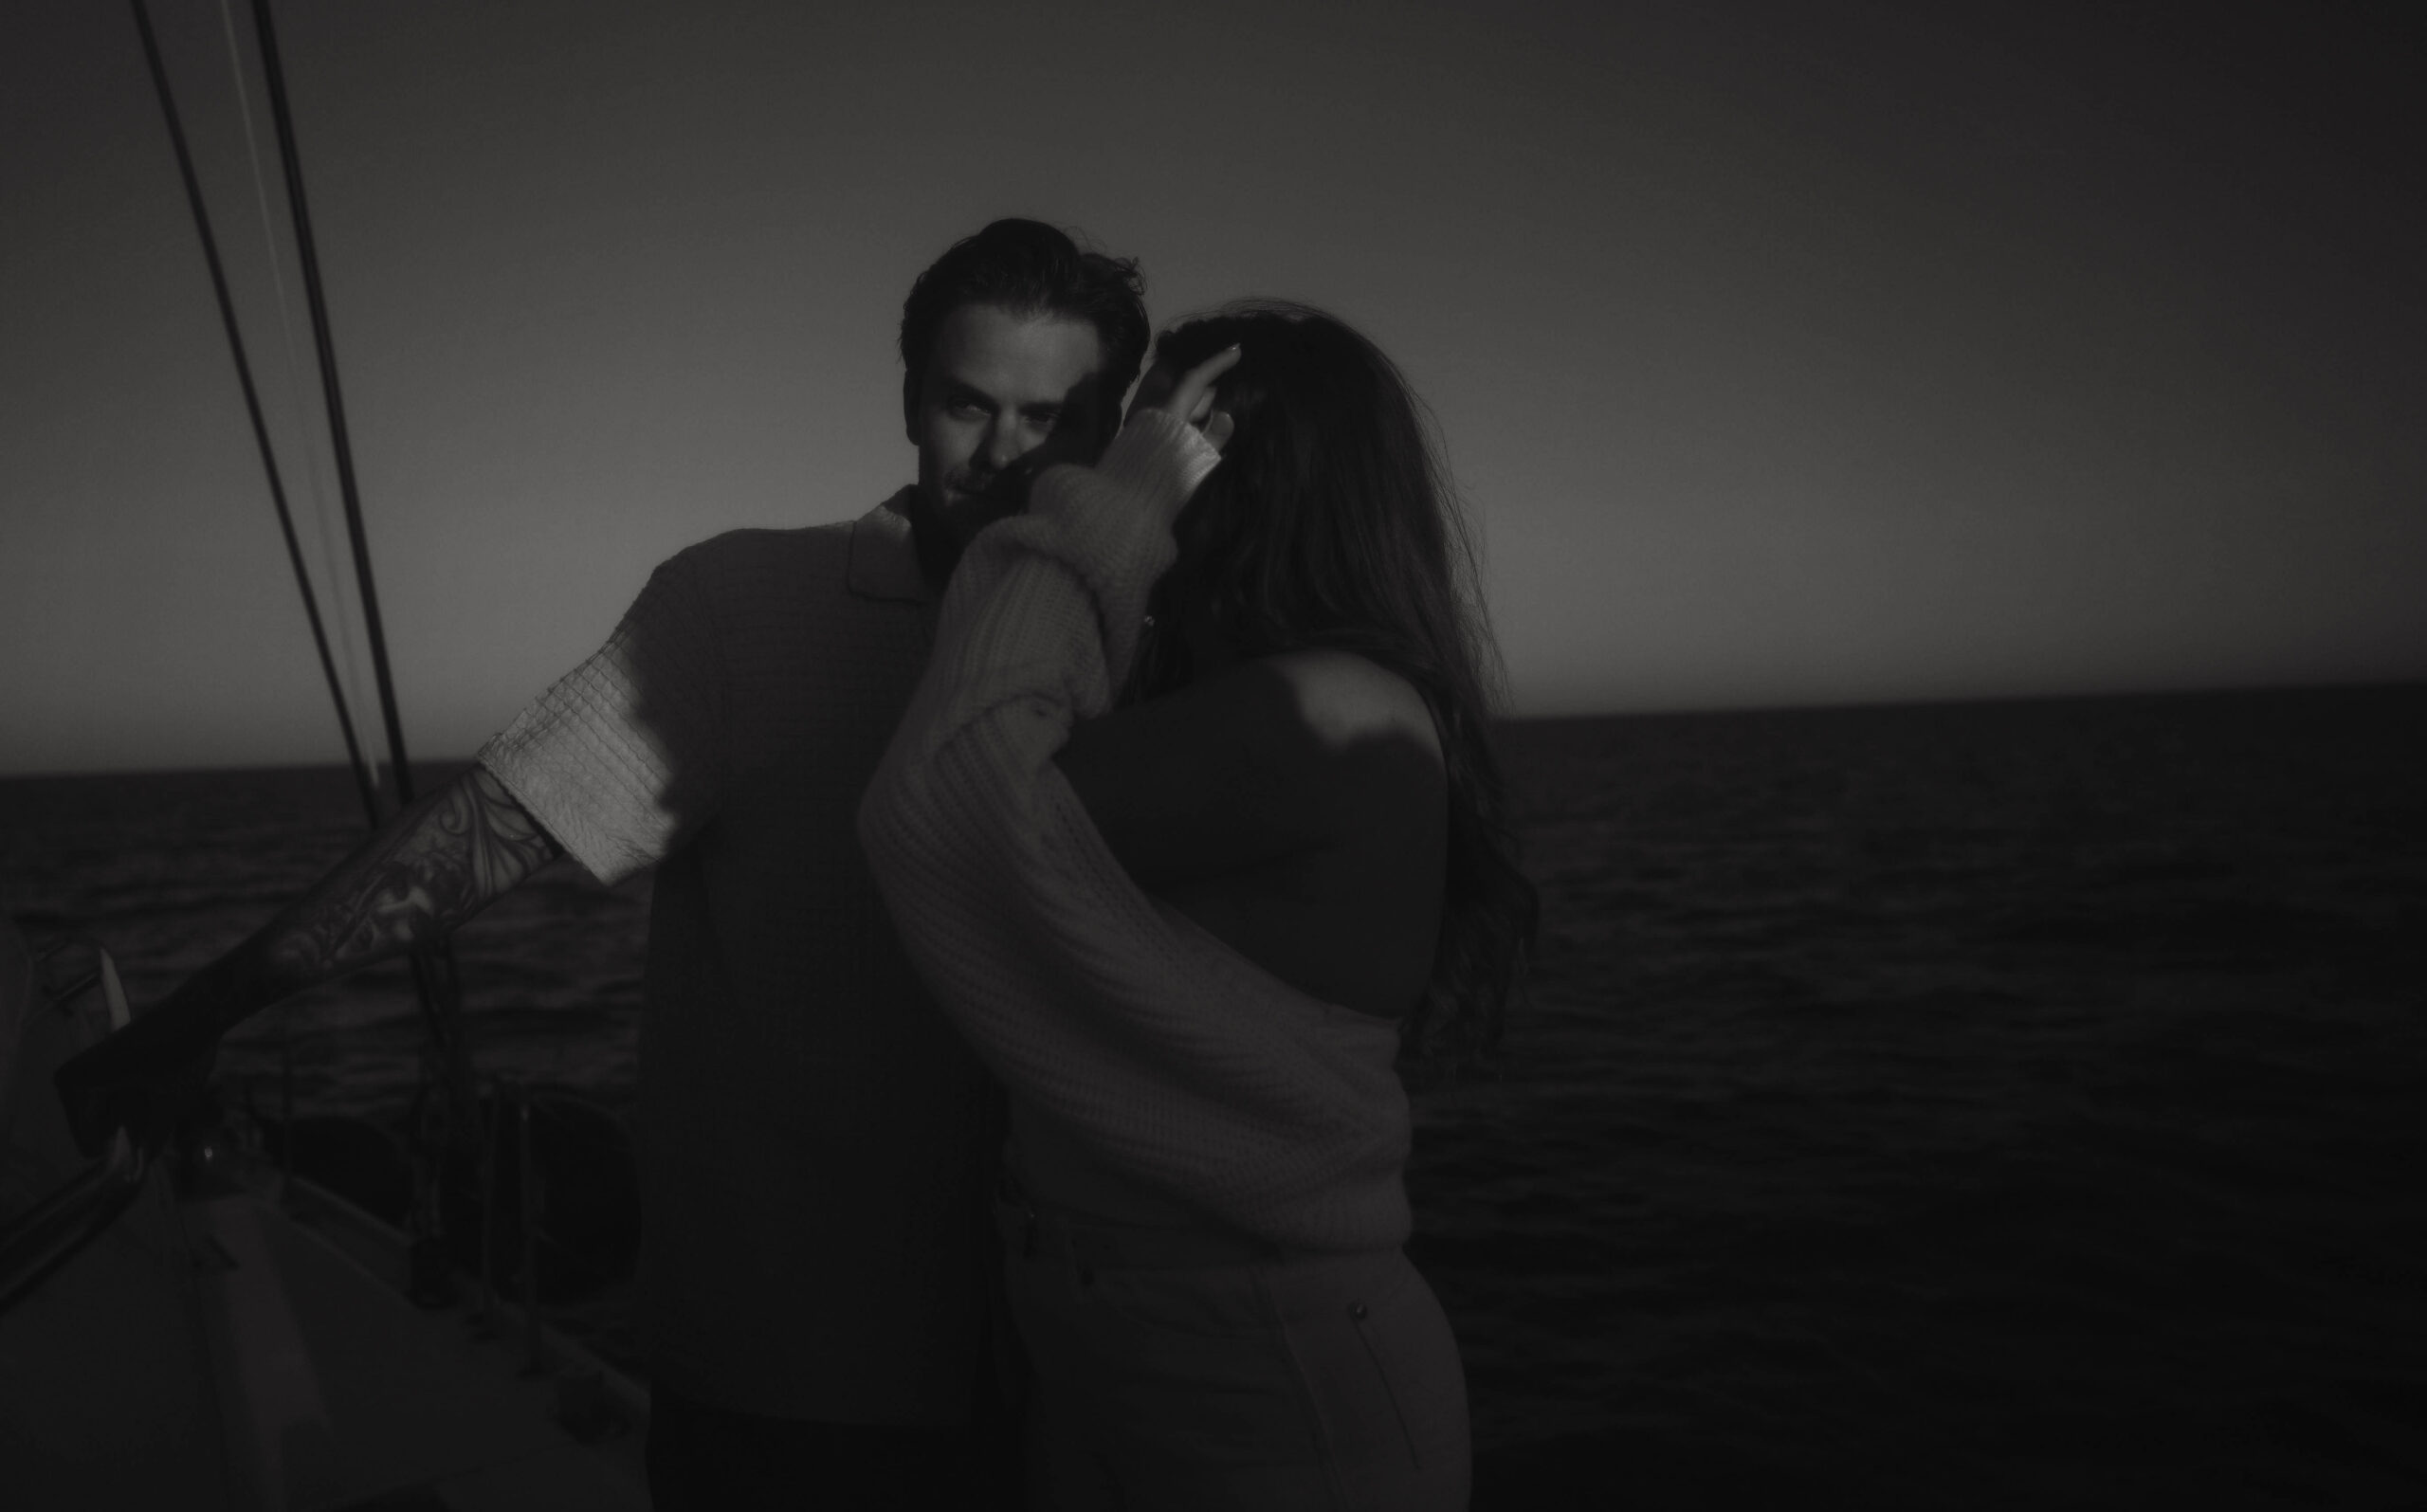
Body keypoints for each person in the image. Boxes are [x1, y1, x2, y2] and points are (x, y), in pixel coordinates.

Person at [55, 218, 1154, 1508]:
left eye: (1053, 418)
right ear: (909, 401)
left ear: (1114, 430)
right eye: (969, 405)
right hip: (794, 1372)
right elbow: (487, 829)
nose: (1007, 457)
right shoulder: (742, 610)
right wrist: (201, 1012)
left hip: (1078, 1365)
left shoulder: (1146, 645)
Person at [857, 301, 1537, 1508]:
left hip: (1263, 1397)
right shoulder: (1254, 701)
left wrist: (1114, 510)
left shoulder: (1328, 709)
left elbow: (952, 806)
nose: (1097, 459)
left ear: (1233, 464)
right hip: (1144, 1362)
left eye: (1156, 433)